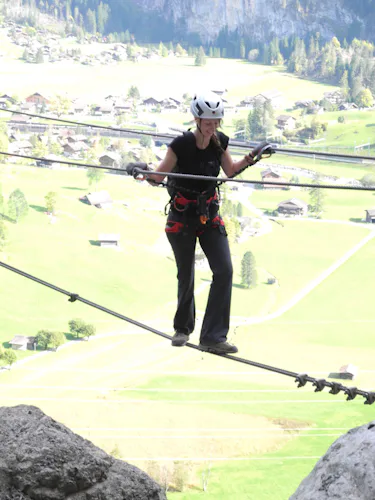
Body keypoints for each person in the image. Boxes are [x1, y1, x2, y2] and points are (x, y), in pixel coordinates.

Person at [127, 91, 271, 355]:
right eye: (207, 120)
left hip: (208, 216)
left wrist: (253, 157)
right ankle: (182, 329)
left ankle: (213, 336)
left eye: (216, 121)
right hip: (182, 218)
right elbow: (160, 177)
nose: (212, 125)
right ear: (196, 119)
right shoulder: (181, 145)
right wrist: (142, 170)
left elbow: (230, 171)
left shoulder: (220, 143)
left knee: (225, 271)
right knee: (187, 274)